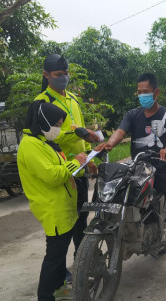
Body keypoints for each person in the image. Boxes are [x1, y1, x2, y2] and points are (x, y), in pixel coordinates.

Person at [95, 73, 166, 280]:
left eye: (145, 92)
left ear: (156, 92)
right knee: (110, 194)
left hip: (162, 168)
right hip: (138, 168)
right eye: (139, 92)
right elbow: (120, 131)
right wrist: (110, 143)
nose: (142, 96)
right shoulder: (132, 115)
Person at [18, 101, 87, 301]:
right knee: (54, 255)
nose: (58, 128)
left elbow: (58, 168)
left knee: (60, 251)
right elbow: (51, 175)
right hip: (52, 208)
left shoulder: (42, 142)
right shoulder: (30, 145)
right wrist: (76, 163)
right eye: (56, 124)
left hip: (62, 206)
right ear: (43, 121)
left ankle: (57, 287)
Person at [34, 54, 100, 284]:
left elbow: (82, 134)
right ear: (46, 75)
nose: (64, 79)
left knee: (81, 222)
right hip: (61, 172)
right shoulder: (42, 103)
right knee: (62, 229)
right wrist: (75, 132)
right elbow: (48, 135)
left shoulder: (72, 99)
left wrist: (89, 158)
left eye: (65, 74)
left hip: (79, 170)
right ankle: (60, 275)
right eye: (58, 75)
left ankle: (80, 266)